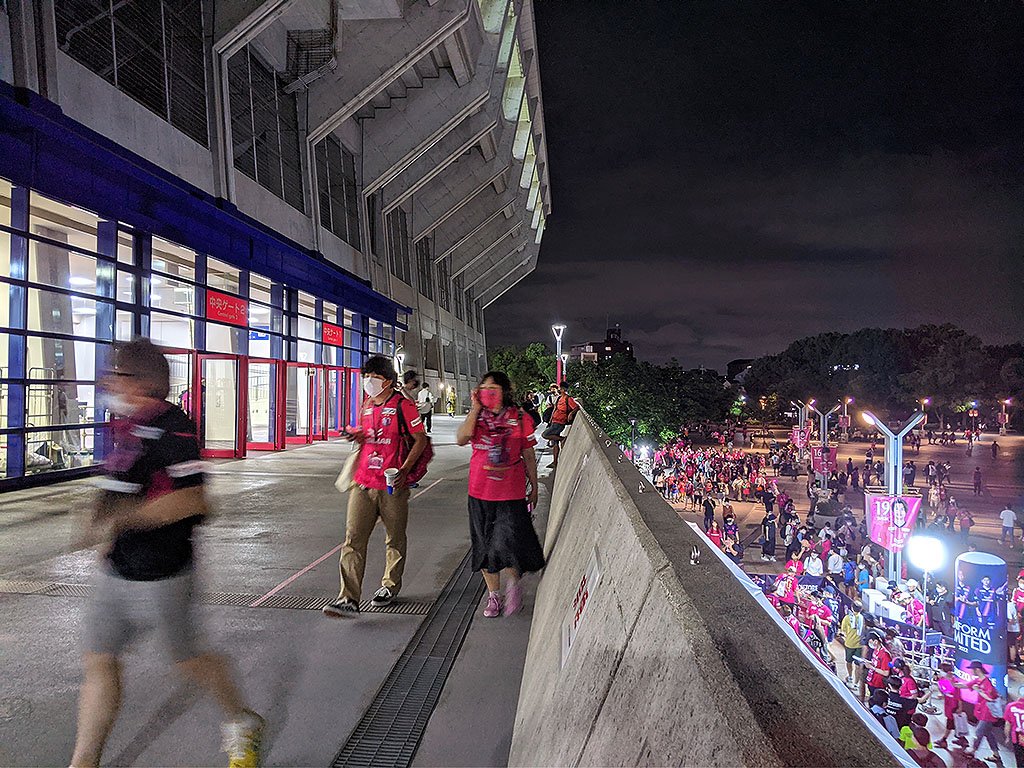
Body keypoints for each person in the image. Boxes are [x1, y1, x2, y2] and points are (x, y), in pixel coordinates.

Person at [72, 339, 263, 768]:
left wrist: (128, 517)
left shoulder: (175, 428)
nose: (108, 383)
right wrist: (101, 523)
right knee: (100, 659)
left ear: (141, 382)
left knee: (189, 660)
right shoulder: (125, 427)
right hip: (116, 570)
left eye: (115, 375)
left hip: (163, 575)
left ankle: (241, 721)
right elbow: (121, 485)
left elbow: (196, 500)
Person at [324, 355, 428, 617]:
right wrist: (357, 435)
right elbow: (369, 434)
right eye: (366, 376)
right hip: (363, 482)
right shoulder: (367, 404)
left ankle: (390, 586)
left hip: (392, 484)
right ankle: (348, 598)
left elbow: (420, 440)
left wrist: (405, 470)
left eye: (375, 377)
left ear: (388, 381)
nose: (369, 381)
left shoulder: (404, 406)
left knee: (395, 538)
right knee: (353, 540)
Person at [456, 371, 544, 617]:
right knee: (484, 545)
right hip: (479, 491)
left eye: (493, 389)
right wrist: (475, 409)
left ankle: (514, 584)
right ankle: (494, 595)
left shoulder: (520, 418)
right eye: (483, 388)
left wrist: (534, 486)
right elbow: (461, 438)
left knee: (510, 542)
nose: (488, 393)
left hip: (510, 492)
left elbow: (528, 454)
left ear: (505, 391)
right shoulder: (477, 418)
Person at [958, 660, 1001, 761]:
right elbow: (965, 685)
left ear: (977, 670)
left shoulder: (987, 683)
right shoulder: (978, 680)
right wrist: (952, 683)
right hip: (982, 712)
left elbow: (990, 698)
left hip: (988, 713)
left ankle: (972, 750)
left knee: (978, 732)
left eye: (972, 669)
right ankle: (996, 754)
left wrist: (978, 690)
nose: (971, 671)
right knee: (988, 734)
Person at [540, 382, 578, 469]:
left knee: (545, 435)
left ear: (563, 389)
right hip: (554, 421)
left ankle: (562, 439)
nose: (559, 389)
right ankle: (555, 462)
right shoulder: (559, 398)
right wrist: (550, 420)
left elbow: (576, 407)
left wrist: (571, 413)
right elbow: (555, 409)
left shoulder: (568, 399)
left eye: (560, 388)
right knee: (555, 443)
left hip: (560, 423)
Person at [840, 601, 865, 686]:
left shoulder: (847, 618)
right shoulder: (863, 618)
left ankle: (850, 676)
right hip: (860, 645)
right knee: (858, 665)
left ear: (852, 608)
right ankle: (856, 683)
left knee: (849, 661)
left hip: (849, 644)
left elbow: (843, 630)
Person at [864, 629, 892, 695]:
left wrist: (872, 668)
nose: (869, 644)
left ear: (876, 641)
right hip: (872, 680)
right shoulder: (875, 650)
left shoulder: (885, 655)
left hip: (878, 684)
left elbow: (886, 673)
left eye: (870, 642)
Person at [1004, 687, 1024, 768]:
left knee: (1020, 760)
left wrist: (1007, 737)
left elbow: (1007, 724)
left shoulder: (1010, 706)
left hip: (1017, 738)